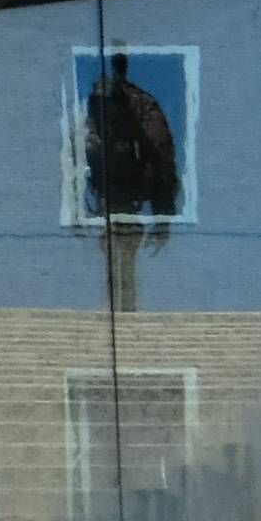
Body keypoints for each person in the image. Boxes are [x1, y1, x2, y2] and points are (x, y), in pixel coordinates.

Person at [84, 50, 181, 320]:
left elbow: (160, 156)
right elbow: (162, 157)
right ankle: (124, 316)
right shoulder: (112, 103)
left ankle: (125, 317)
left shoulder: (135, 104)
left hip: (125, 199)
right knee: (120, 263)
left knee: (122, 261)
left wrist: (163, 215)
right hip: (117, 200)